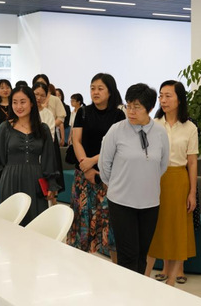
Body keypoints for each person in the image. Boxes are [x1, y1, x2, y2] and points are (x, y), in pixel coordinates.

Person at [99, 83, 170, 274]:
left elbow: (162, 165)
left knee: (142, 254)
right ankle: (126, 291)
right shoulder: (116, 130)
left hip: (150, 203)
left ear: (150, 108)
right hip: (121, 202)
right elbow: (104, 165)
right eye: (128, 105)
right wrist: (117, 185)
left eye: (137, 107)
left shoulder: (160, 133)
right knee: (128, 255)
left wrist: (145, 180)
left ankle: (138, 290)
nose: (131, 111)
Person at [66, 73, 125, 260]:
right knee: (82, 222)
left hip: (108, 177)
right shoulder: (83, 112)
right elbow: (76, 140)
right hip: (83, 175)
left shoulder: (118, 115)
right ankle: (79, 267)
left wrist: (93, 161)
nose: (95, 92)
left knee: (109, 224)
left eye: (100, 88)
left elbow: (118, 145)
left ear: (110, 91)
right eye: (92, 88)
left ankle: (115, 270)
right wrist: (86, 166)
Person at [146, 80, 198, 286]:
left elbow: (192, 162)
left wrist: (192, 192)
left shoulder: (190, 127)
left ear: (179, 99)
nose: (163, 100)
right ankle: (144, 277)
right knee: (154, 227)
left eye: (168, 96)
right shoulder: (154, 124)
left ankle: (172, 282)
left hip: (178, 180)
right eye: (161, 96)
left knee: (178, 229)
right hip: (155, 178)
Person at [0, 86, 59, 225]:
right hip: (10, 180)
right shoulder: (5, 128)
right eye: (15, 102)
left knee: (34, 223)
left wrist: (51, 184)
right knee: (9, 223)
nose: (18, 106)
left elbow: (49, 159)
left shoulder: (43, 129)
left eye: (23, 102)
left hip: (35, 180)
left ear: (31, 103)